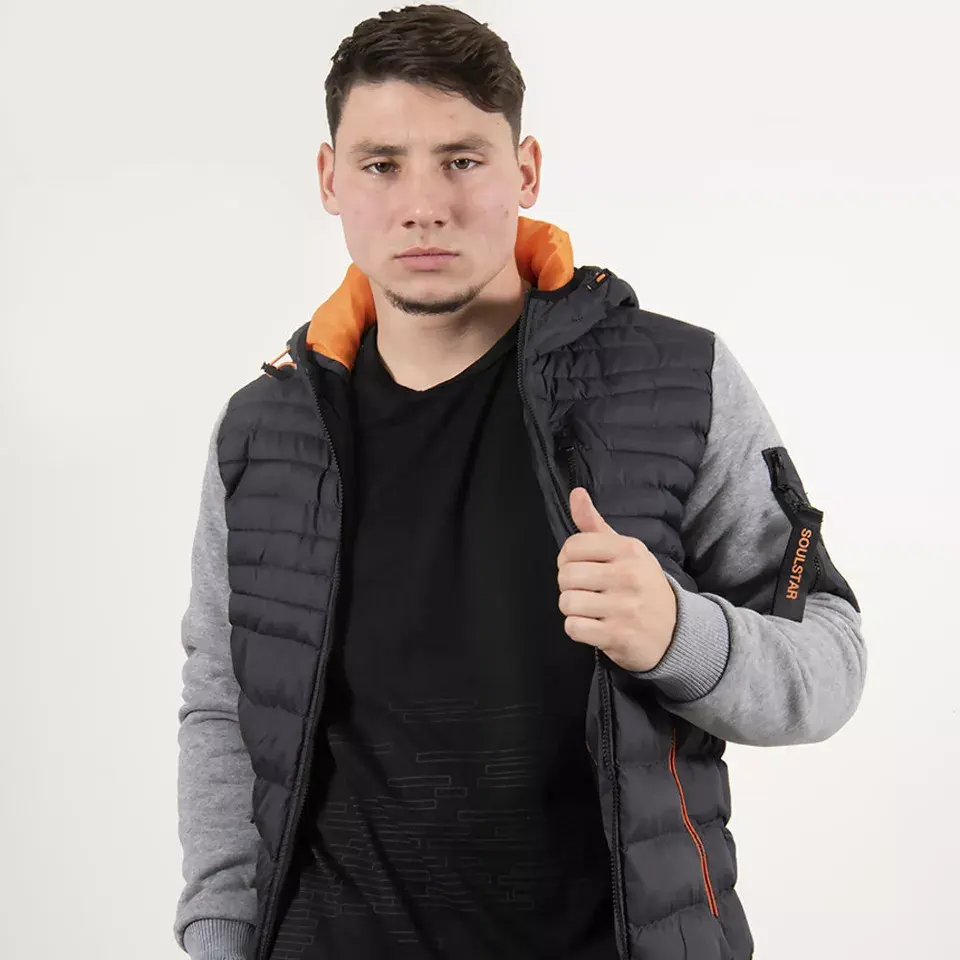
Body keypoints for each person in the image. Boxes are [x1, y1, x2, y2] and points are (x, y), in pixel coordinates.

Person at [174, 5, 865, 960]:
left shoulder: (677, 381)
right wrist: (219, 935)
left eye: (462, 160)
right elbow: (221, 703)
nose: (424, 204)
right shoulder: (263, 430)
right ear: (330, 179)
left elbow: (831, 661)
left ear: (525, 170)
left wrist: (678, 633)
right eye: (382, 164)